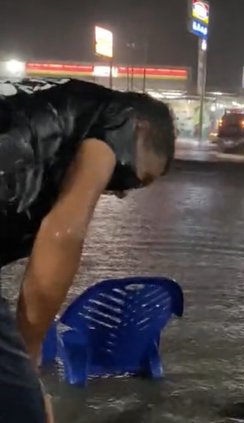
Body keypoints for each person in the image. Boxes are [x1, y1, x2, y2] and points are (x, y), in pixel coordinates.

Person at [0, 78, 176, 423]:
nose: (123, 192)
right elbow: (63, 233)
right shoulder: (117, 118)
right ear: (140, 129)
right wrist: (29, 356)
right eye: (137, 179)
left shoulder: (45, 111)